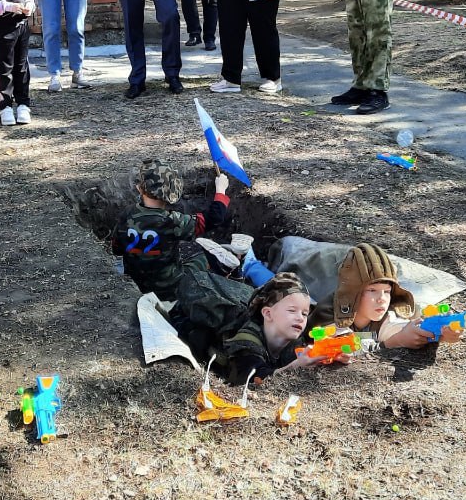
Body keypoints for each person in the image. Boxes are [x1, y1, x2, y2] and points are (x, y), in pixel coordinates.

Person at [305, 243, 464, 349]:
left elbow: (396, 327)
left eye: (387, 291)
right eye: (372, 290)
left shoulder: (386, 312)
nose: (382, 298)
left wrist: (440, 333)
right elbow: (338, 346)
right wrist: (394, 342)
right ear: (352, 294)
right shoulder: (329, 313)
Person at [112, 158, 230, 301]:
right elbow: (214, 218)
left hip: (136, 285)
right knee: (206, 257)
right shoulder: (172, 221)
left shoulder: (127, 214)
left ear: (139, 188)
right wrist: (221, 190)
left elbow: (117, 248)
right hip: (169, 290)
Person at [221, 273, 324, 385]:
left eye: (304, 313)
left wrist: (335, 357)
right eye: (292, 310)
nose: (300, 318)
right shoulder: (246, 342)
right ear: (268, 314)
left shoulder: (295, 344)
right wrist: (296, 366)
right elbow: (255, 378)